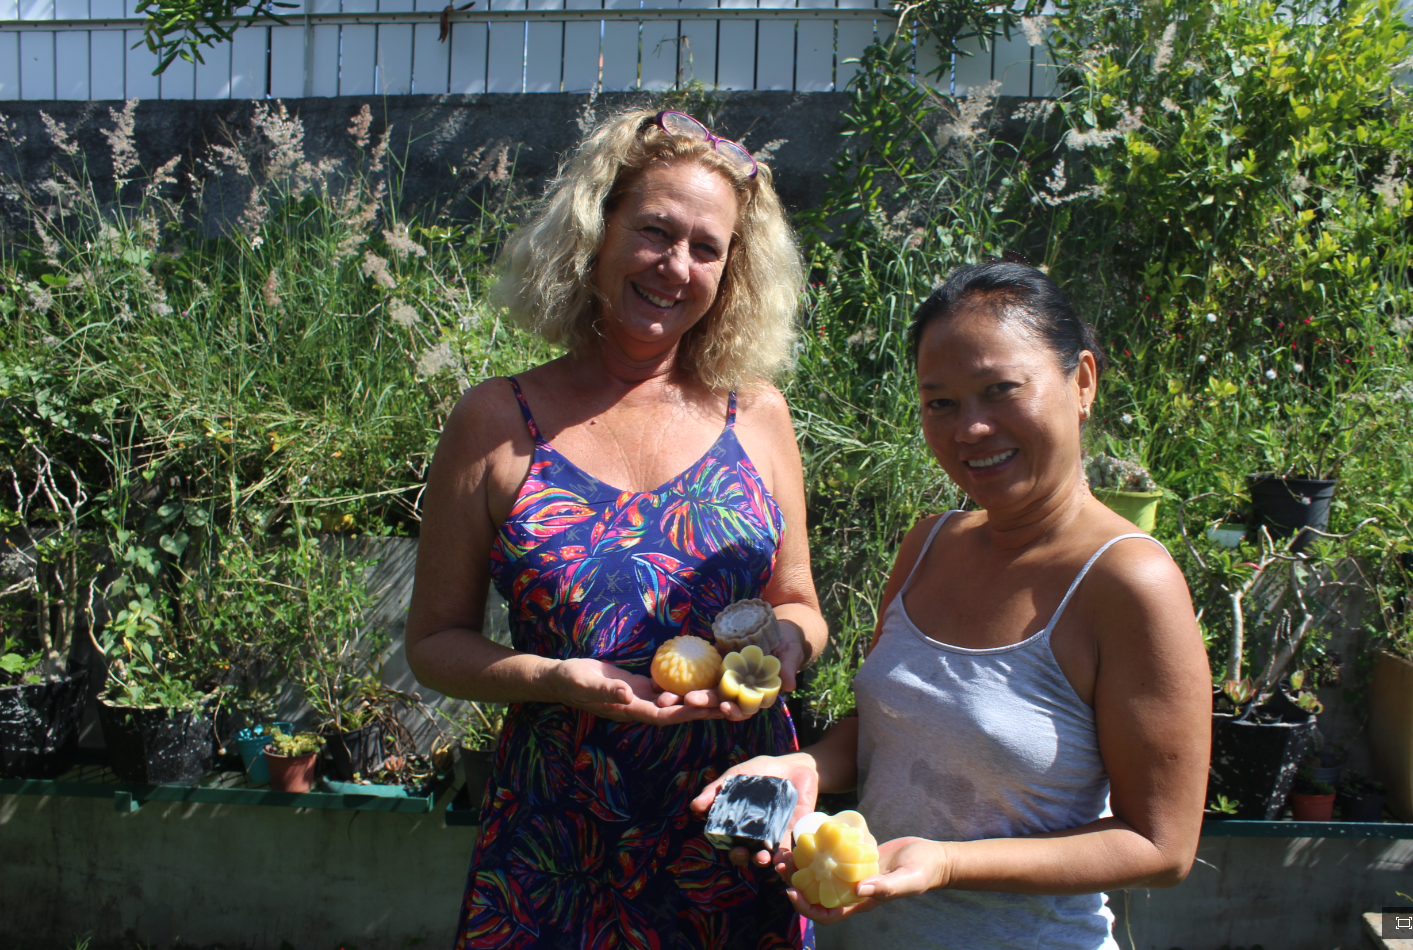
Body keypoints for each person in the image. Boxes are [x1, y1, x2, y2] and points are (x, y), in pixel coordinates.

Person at [404, 107, 827, 949]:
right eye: (654, 233)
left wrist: (789, 644)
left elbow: (800, 601)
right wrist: (559, 678)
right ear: (595, 235)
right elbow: (435, 642)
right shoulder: (496, 419)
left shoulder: (759, 416)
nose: (676, 266)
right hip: (562, 830)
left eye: (707, 248)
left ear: (731, 272)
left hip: (733, 824)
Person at [693, 261, 1211, 949]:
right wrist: (806, 765)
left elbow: (1159, 846)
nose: (970, 429)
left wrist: (946, 863)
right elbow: (898, 727)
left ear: (1081, 381)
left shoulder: (1127, 583)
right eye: (940, 403)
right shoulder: (929, 544)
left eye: (999, 391)